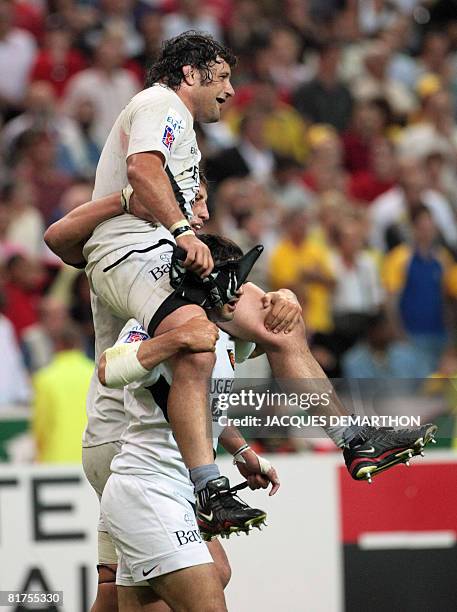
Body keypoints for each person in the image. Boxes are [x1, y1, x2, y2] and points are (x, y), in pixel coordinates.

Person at [45, 175, 438, 491]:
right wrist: (131, 200)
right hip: (124, 446)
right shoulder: (131, 240)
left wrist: (283, 297)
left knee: (177, 581)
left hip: (164, 450)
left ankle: (351, 440)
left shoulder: (192, 267)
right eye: (194, 200)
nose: (203, 212)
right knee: (191, 581)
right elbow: (57, 240)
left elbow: (210, 391)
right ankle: (210, 484)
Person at [95, 234, 279, 612]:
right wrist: (179, 338)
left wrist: (243, 451)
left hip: (179, 491)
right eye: (236, 284)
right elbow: (108, 367)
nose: (240, 295)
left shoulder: (226, 334)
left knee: (214, 574)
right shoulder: (156, 321)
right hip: (148, 488)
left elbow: (205, 408)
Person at [32, 322, 93, 462]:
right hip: (91, 459)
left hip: (56, 458)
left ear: (57, 345)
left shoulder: (44, 378)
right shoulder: (95, 374)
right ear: (79, 344)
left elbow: (41, 425)